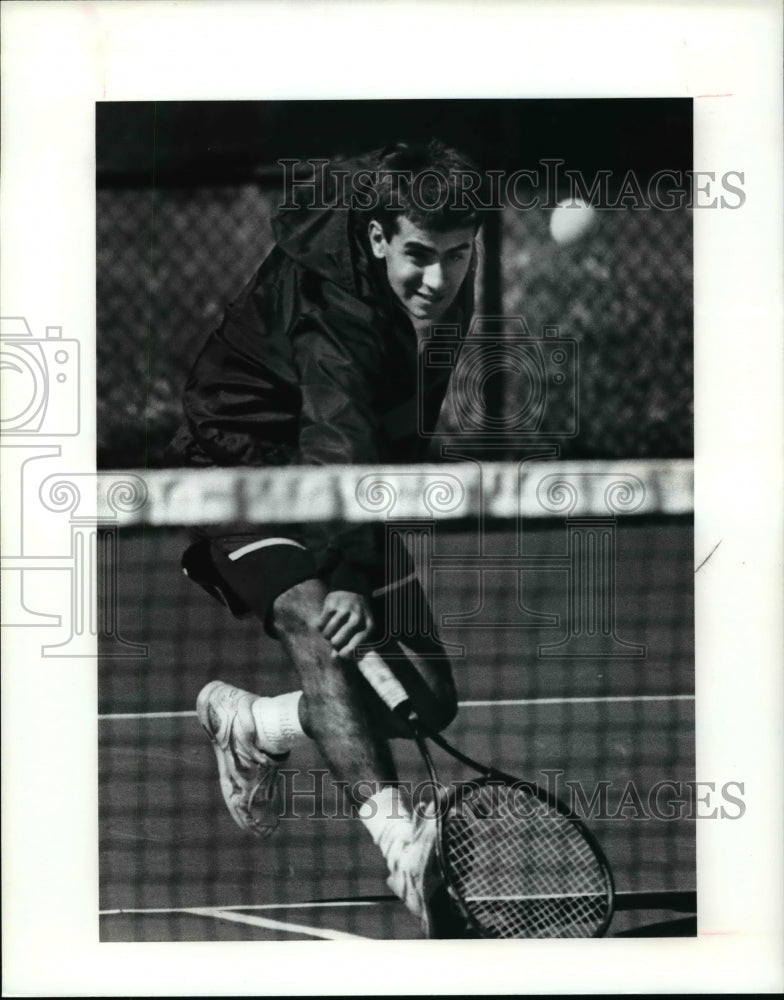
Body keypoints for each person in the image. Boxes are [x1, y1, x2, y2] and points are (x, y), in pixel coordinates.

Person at [169, 139, 485, 937]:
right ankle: (399, 839)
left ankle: (255, 726)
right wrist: (345, 568)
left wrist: (370, 529)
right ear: (380, 238)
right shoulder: (334, 298)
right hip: (238, 466)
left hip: (340, 478)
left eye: (457, 255)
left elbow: (393, 419)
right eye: (419, 255)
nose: (439, 278)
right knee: (316, 615)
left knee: (425, 701)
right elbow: (335, 428)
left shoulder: (439, 275)